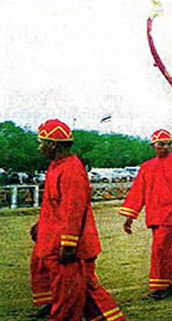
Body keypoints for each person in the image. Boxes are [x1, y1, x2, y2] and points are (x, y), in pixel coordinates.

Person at [31, 119, 125, 320]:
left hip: (70, 248)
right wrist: (41, 226)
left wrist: (68, 243)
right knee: (82, 291)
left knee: (70, 296)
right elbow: (53, 205)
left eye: (42, 143)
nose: (40, 148)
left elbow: (74, 210)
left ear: (53, 144)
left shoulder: (72, 169)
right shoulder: (55, 166)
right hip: (55, 242)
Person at [119, 129, 172, 300]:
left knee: (160, 249)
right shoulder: (146, 167)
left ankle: (160, 286)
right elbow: (138, 193)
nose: (165, 147)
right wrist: (129, 217)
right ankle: (170, 282)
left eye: (168, 144)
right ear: (153, 146)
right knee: (165, 250)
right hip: (154, 215)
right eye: (161, 144)